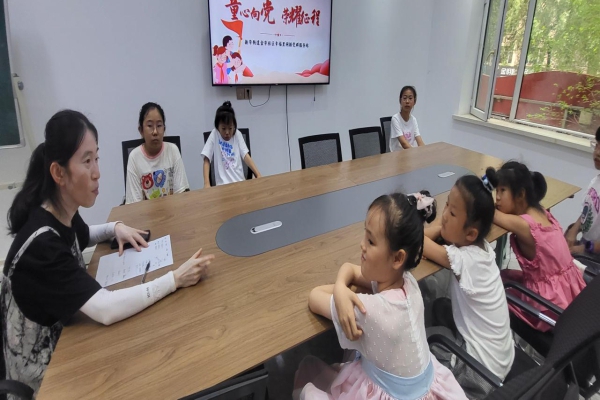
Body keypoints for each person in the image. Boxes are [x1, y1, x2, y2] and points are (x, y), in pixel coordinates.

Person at [1, 110, 214, 396]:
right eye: (86, 161)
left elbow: (84, 234)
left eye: (96, 158)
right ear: (58, 173)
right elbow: (106, 309)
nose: (97, 172)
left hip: (68, 340)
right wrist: (175, 279)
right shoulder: (42, 245)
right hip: (44, 377)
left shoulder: (58, 209)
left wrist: (115, 228)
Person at [294, 191, 467, 400]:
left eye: (370, 241)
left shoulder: (369, 310)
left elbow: (314, 297)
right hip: (425, 387)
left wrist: (340, 288)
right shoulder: (408, 282)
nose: (362, 245)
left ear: (397, 258)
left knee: (308, 375)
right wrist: (341, 285)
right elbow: (353, 270)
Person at [422, 175, 514, 398]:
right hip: (501, 358)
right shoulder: (483, 249)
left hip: (480, 373)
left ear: (471, 233)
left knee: (418, 352)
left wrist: (436, 228)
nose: (444, 215)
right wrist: (445, 227)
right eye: (446, 205)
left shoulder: (465, 260)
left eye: (452, 213)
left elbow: (416, 239)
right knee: (440, 306)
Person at [488, 162, 586, 331]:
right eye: (496, 190)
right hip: (570, 294)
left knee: (491, 287)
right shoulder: (542, 212)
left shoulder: (523, 225)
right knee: (504, 274)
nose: (497, 197)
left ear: (521, 194)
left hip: (548, 306)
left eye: (502, 190)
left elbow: (488, 211)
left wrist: (485, 183)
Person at [125, 102, 189, 203]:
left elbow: (181, 194)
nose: (155, 132)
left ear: (164, 129)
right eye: (150, 125)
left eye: (159, 125)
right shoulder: (134, 157)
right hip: (145, 212)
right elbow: (134, 204)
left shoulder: (173, 150)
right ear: (141, 130)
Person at [201, 101, 261, 187]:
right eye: (223, 128)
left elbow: (246, 156)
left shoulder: (237, 134)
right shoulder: (214, 134)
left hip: (240, 182)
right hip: (222, 185)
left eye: (230, 128)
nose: (227, 132)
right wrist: (206, 183)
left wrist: (258, 174)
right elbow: (206, 159)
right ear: (217, 127)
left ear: (234, 126)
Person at [565, 126, 600, 257]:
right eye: (597, 145)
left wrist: (585, 248)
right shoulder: (596, 181)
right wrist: (574, 229)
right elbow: (588, 212)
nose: (597, 152)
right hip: (586, 245)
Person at [389, 86, 425, 151]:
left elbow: (419, 140)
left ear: (414, 101)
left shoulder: (413, 120)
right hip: (398, 155)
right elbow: (404, 144)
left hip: (411, 154)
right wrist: (416, 153)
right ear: (400, 100)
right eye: (404, 98)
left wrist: (425, 151)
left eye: (410, 98)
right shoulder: (395, 119)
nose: (407, 101)